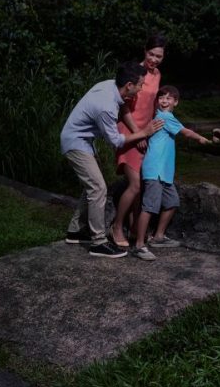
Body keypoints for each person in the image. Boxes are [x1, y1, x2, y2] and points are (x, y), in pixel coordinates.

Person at [61, 62, 164, 258]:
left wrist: (138, 130)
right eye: (140, 85)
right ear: (129, 85)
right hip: (75, 143)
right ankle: (98, 242)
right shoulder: (106, 106)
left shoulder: (110, 85)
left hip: (82, 141)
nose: (142, 88)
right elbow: (116, 141)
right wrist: (144, 132)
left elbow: (122, 108)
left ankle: (74, 231)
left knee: (91, 185)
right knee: (98, 188)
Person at [133, 85, 211, 261]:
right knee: (150, 207)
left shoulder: (165, 117)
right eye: (161, 98)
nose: (164, 101)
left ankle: (158, 237)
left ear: (176, 102)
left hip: (164, 172)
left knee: (172, 202)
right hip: (155, 170)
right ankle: (139, 245)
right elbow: (186, 133)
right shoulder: (165, 117)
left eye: (169, 98)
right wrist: (201, 138)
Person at [111, 35, 167, 248]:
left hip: (147, 132)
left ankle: (135, 227)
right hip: (130, 130)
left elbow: (153, 106)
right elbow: (123, 107)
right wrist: (139, 133)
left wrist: (154, 132)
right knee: (135, 185)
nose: (154, 59)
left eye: (159, 56)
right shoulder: (134, 71)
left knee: (142, 184)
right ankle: (117, 227)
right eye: (151, 54)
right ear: (144, 51)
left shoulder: (158, 74)